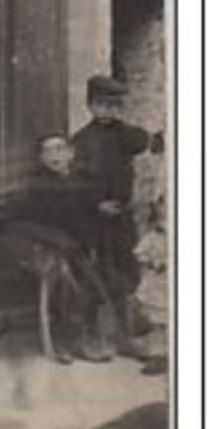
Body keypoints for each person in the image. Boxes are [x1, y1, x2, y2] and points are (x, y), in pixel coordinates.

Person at [72, 74, 163, 360]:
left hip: (121, 220)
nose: (107, 110)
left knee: (124, 276)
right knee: (93, 277)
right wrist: (96, 204)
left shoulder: (124, 135)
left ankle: (124, 338)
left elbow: (143, 142)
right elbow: (76, 182)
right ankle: (90, 338)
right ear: (89, 105)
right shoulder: (81, 140)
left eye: (113, 105)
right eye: (101, 104)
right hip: (94, 220)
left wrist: (126, 123)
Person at [12, 134, 115, 363]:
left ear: (71, 153)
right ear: (40, 158)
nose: (54, 155)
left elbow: (90, 213)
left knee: (93, 270)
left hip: (79, 247)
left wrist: (99, 214)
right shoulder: (35, 183)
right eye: (47, 151)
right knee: (64, 276)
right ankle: (64, 340)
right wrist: (56, 239)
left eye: (59, 149)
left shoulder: (84, 178)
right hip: (46, 248)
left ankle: (89, 336)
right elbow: (21, 222)